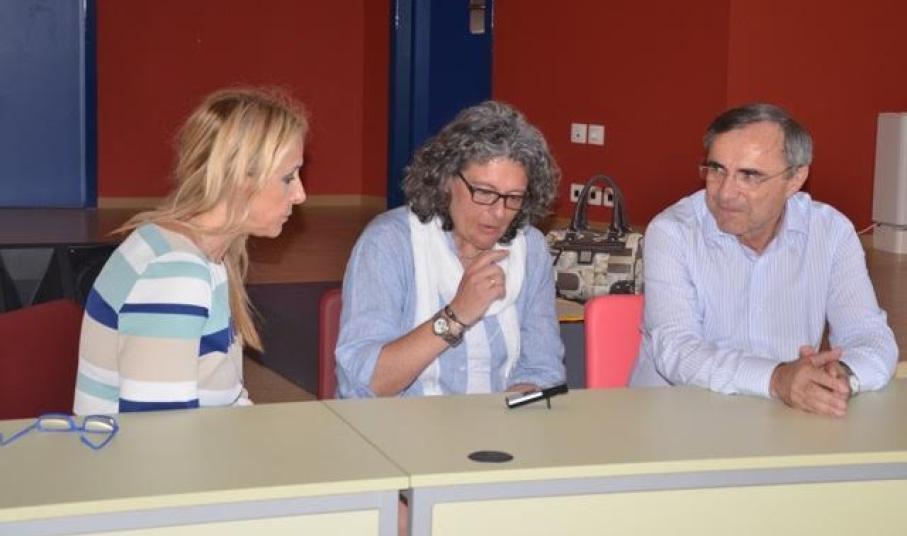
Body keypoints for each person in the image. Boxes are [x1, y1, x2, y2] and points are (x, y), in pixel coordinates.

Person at [630, 103, 898, 417]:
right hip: (678, 420)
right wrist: (777, 379)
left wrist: (842, 376)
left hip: (783, 421)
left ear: (795, 179)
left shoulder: (831, 233)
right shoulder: (673, 232)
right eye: (716, 169)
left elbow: (870, 337)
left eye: (749, 175)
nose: (726, 193)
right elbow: (678, 352)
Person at [73, 88, 308, 414]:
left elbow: (225, 400)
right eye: (288, 177)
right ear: (237, 179)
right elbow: (159, 432)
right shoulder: (176, 273)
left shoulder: (209, 255)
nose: (300, 194)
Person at [336, 100, 565, 398]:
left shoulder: (530, 249)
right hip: (402, 422)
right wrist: (456, 315)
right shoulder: (389, 243)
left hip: (495, 420)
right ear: (445, 179)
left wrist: (519, 399)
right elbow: (365, 385)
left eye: (513, 197)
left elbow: (543, 370)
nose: (498, 212)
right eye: (484, 192)